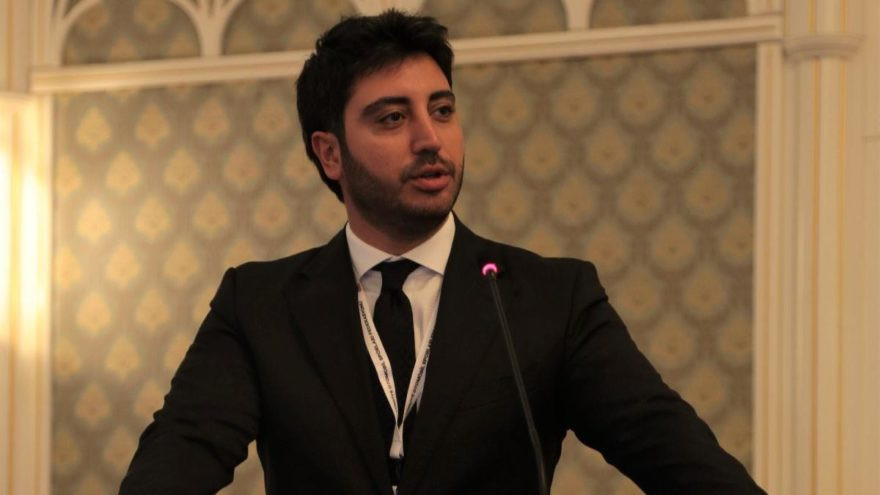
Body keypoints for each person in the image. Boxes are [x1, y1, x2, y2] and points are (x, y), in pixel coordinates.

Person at [121, 10, 765, 495]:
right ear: (330, 153)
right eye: (392, 118)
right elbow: (181, 453)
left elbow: (676, 454)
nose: (431, 138)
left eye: (443, 109)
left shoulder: (551, 299)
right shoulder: (260, 304)